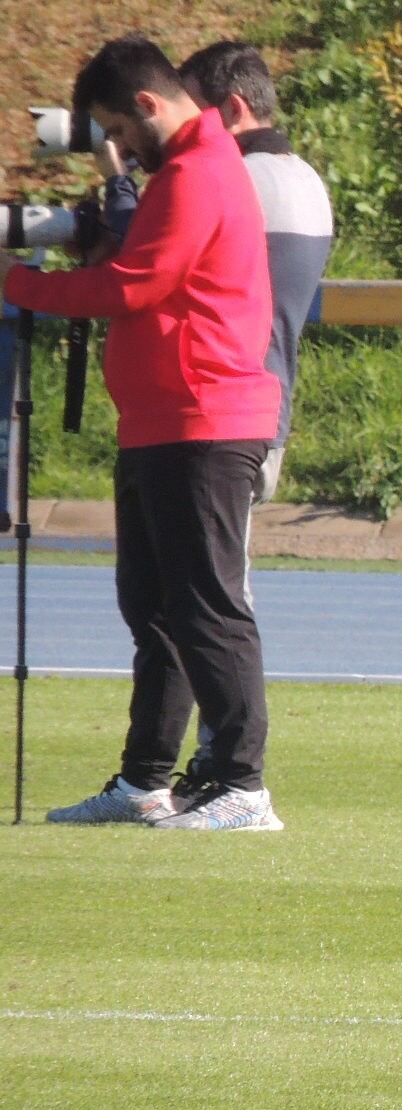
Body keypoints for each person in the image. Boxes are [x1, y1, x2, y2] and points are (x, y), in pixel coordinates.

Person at [2, 37, 283, 831]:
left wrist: (18, 282)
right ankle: (146, 780)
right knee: (155, 606)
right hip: (163, 421)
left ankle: (241, 783)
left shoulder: (197, 171)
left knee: (205, 606)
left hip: (203, 417)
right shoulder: (185, 169)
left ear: (150, 106)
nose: (118, 151)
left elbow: (138, 284)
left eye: (119, 132)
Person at [102, 41, 333, 802]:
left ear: (229, 110)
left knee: (207, 609)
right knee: (189, 605)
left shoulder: (229, 175)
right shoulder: (296, 179)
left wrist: (118, 196)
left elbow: (151, 264)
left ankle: (225, 779)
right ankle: (163, 775)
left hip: (215, 412)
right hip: (241, 408)